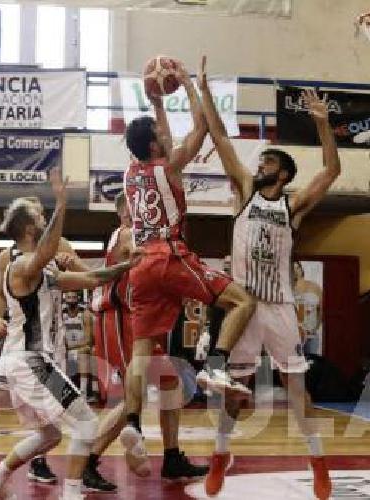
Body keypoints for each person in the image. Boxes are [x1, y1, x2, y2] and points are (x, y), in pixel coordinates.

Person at [199, 56, 342, 498]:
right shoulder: (244, 190)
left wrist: (322, 125)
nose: (257, 165)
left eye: (266, 163)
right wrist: (204, 90)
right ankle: (221, 455)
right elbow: (220, 136)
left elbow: (332, 171)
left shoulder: (292, 205)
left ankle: (318, 460)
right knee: (233, 392)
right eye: (259, 162)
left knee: (295, 386)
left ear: (281, 173)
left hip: (279, 305)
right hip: (244, 305)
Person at [0, 169, 137, 500]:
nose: (43, 220)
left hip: (25, 362)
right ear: (29, 228)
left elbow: (94, 279)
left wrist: (129, 266)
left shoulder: (44, 269)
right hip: (31, 362)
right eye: (38, 217)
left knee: (49, 435)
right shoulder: (22, 265)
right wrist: (62, 203)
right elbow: (45, 251)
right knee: (86, 424)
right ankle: (71, 493)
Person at [120, 59, 257, 489]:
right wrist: (196, 88)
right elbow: (199, 131)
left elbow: (164, 139)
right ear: (156, 145)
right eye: (161, 134)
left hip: (141, 266)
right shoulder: (168, 166)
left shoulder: (132, 173)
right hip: (170, 255)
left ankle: (135, 426)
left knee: (145, 352)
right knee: (242, 301)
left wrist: (157, 104)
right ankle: (216, 365)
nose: (165, 135)